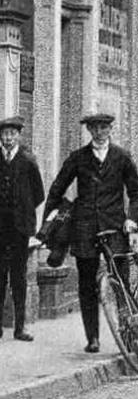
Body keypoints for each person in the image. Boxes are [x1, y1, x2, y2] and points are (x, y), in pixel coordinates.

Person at [43, 112, 138, 353]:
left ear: (110, 129)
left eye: (103, 128)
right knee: (87, 284)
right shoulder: (78, 158)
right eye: (94, 128)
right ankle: (93, 338)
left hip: (114, 227)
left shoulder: (122, 157)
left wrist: (132, 220)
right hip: (85, 228)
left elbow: (137, 192)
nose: (99, 133)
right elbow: (57, 188)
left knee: (121, 282)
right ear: (89, 130)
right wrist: (50, 224)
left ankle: (129, 335)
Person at [0, 116, 44, 341]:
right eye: (5, 134)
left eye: (12, 134)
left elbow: (39, 194)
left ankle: (20, 328)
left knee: (19, 278)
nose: (8, 138)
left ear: (18, 136)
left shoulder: (27, 161)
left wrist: (25, 217)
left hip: (19, 230)